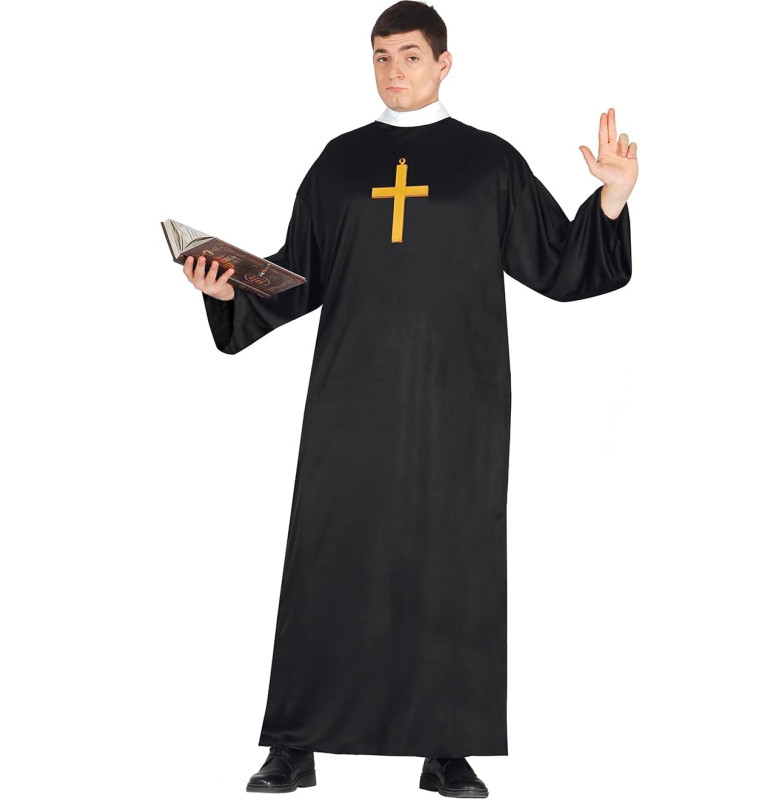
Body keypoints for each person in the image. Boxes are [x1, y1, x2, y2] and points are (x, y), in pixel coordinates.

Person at [183, 1, 637, 796]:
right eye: (382, 56)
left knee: (453, 560)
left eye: (411, 56)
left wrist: (611, 200)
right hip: (351, 398)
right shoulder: (339, 163)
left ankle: (447, 745)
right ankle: (295, 743)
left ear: (444, 63)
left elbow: (561, 266)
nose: (394, 71)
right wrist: (226, 291)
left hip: (459, 399)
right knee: (328, 553)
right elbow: (298, 278)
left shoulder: (489, 163)